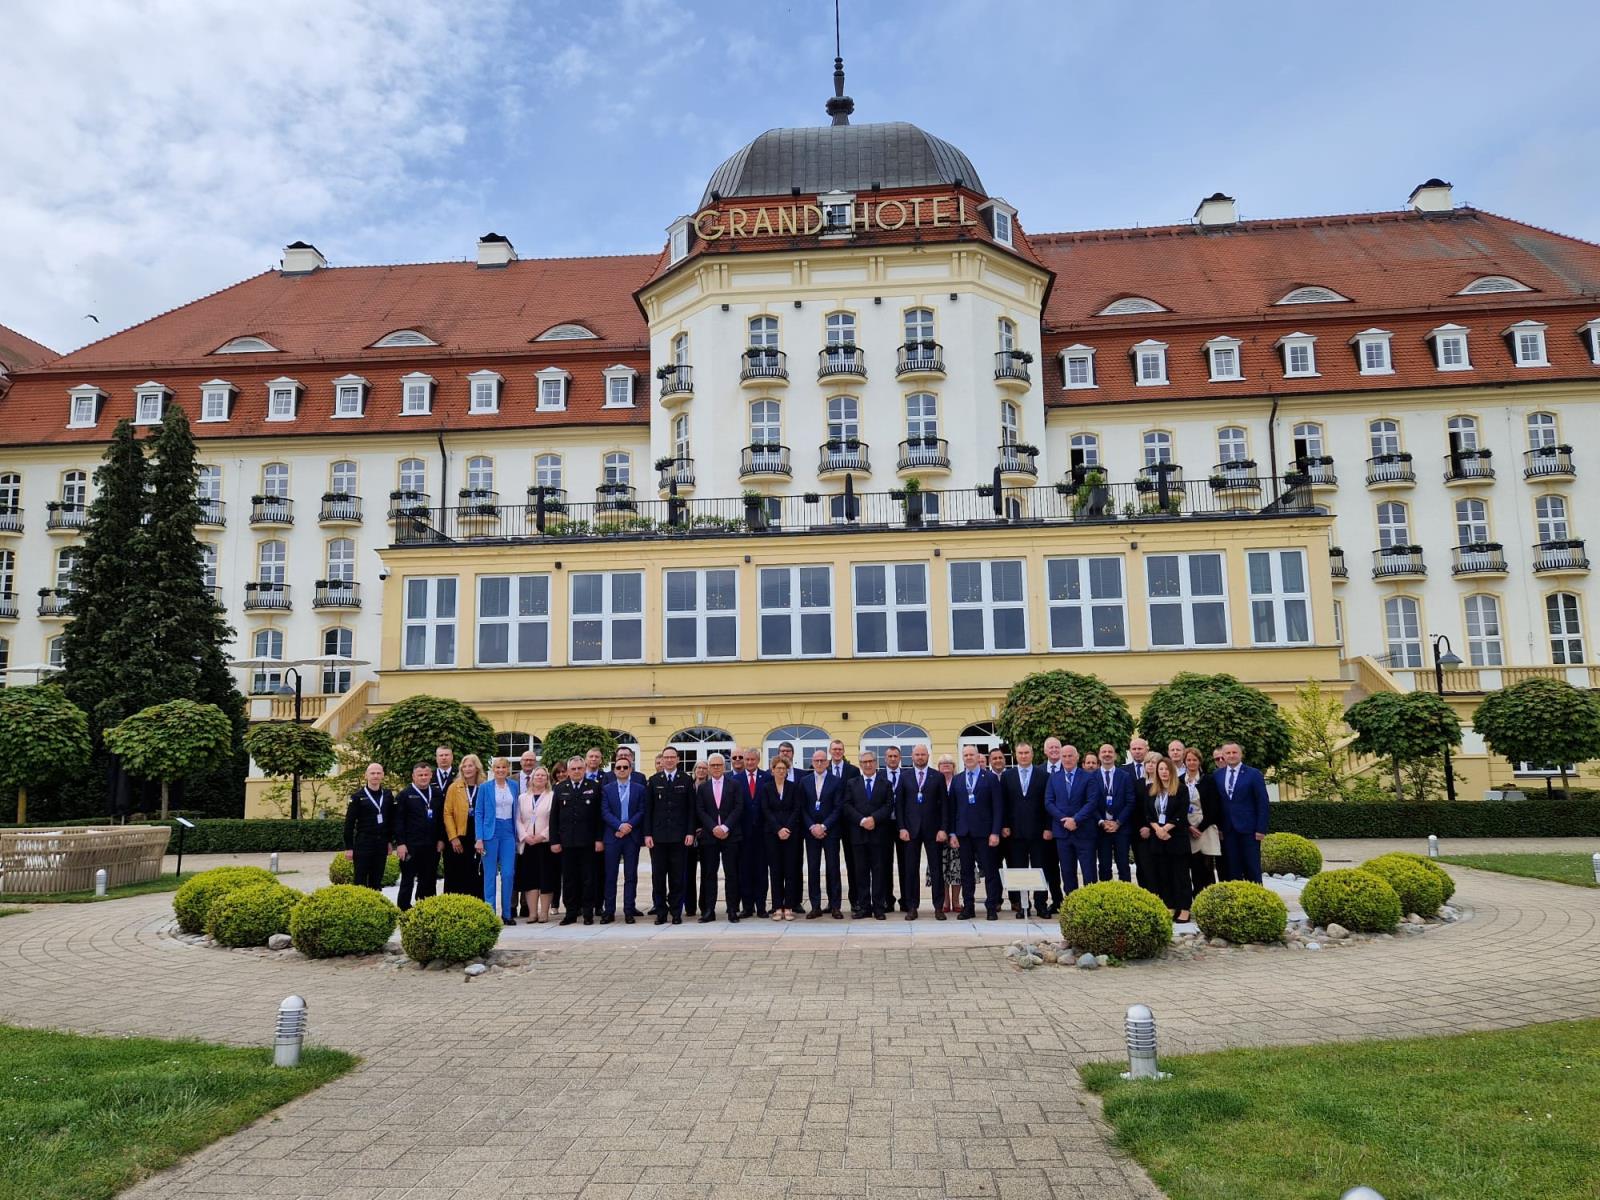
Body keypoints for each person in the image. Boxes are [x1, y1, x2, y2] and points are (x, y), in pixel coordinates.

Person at [894, 743, 948, 920]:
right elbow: (899, 805)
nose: (920, 757)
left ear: (928, 756)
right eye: (917, 754)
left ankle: (938, 907)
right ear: (912, 757)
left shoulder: (938, 777)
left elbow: (944, 806)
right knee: (910, 869)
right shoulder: (905, 776)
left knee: (936, 869)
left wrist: (943, 829)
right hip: (910, 830)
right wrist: (901, 827)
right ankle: (912, 906)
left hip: (933, 831)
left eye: (923, 754)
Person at [949, 745, 1003, 920]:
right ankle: (969, 907)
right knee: (966, 872)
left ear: (978, 757)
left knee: (990, 870)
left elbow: (997, 808)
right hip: (963, 833)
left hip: (985, 833)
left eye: (971, 754)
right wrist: (952, 833)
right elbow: (952, 809)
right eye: (965, 755)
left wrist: (995, 832)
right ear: (962, 758)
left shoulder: (990, 778)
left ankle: (991, 907)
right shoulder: (957, 780)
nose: (969, 757)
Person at [644, 747, 696, 925]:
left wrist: (690, 832)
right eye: (666, 757)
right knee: (658, 877)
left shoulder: (686, 780)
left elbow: (691, 809)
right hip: (658, 838)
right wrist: (647, 834)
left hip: (680, 837)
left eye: (672, 757)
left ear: (678, 760)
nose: (669, 760)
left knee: (677, 877)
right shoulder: (653, 780)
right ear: (662, 760)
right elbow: (648, 810)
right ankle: (660, 912)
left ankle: (676, 912)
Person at [1000, 742, 1052, 917]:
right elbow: (1003, 804)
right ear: (1015, 755)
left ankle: (1041, 904)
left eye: (1026, 752)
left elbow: (1048, 804)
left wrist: (1048, 827)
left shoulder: (1043, 775)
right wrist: (1005, 825)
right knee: (1018, 869)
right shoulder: (1008, 776)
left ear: (1032, 754)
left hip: (1038, 832)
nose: (1023, 756)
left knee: (1040, 869)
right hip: (1015, 833)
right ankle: (1023, 905)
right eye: (1020, 753)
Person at [552, 756, 604, 925]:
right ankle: (571, 913)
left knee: (588, 879)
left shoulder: (594, 787)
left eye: (579, 768)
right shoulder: (560, 788)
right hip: (567, 842)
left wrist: (599, 839)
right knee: (568, 879)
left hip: (588, 842)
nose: (576, 771)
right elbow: (554, 818)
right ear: (568, 771)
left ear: (584, 769)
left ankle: (588, 913)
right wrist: (555, 841)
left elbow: (599, 817)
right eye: (573, 769)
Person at [842, 751, 893, 919]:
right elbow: (847, 806)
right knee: (860, 872)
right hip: (858, 834)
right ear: (860, 764)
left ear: (876, 762)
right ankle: (864, 907)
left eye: (871, 761)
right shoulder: (851, 783)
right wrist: (862, 820)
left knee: (879, 872)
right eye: (864, 762)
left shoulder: (885, 783)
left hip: (879, 834)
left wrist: (874, 819)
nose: (868, 764)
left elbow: (888, 806)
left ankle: (879, 907)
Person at [1142, 755, 1193, 921]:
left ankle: (1184, 908)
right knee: (1163, 875)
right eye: (1161, 769)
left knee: (1180, 875)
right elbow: (1149, 814)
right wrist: (1157, 829)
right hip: (1158, 839)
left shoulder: (1181, 789)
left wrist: (1166, 828)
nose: (1164, 772)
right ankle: (1170, 905)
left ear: (1172, 771)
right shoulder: (1151, 790)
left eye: (1166, 769)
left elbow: (1181, 814)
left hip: (1176, 837)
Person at [1045, 744, 1097, 896]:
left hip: (1084, 832)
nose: (1067, 759)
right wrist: (1063, 819)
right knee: (1067, 872)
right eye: (1064, 756)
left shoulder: (1088, 777)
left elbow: (1092, 802)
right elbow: (1048, 802)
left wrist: (1076, 820)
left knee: (1089, 872)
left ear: (1077, 757)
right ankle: (1072, 904)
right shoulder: (1054, 778)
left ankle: (1090, 905)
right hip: (1062, 833)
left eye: (1070, 756)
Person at [695, 753, 742, 922]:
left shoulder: (734, 785)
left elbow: (738, 807)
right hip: (710, 837)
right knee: (709, 874)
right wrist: (714, 827)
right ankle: (709, 911)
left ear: (724, 767)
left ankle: (732, 910)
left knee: (731, 874)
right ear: (708, 768)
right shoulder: (703, 788)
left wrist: (725, 826)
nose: (716, 768)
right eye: (713, 765)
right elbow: (700, 810)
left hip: (730, 835)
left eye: (718, 765)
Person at [601, 754, 648, 923]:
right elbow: (605, 811)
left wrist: (628, 826)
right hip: (613, 836)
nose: (622, 770)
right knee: (610, 875)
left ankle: (629, 910)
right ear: (614, 770)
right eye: (619, 767)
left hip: (631, 837)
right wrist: (619, 826)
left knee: (630, 875)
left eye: (625, 767)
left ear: (630, 770)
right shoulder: (607, 789)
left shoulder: (639, 788)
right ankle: (610, 911)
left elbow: (642, 811)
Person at [473, 756, 521, 924]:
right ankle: (490, 912)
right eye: (497, 767)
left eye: (503, 767)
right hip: (489, 834)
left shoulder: (514, 786)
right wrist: (479, 838)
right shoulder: (485, 788)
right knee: (490, 874)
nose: (500, 770)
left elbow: (518, 810)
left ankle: (507, 914)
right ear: (493, 769)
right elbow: (478, 813)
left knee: (508, 873)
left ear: (508, 769)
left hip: (508, 832)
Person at [1218, 742, 1270, 884]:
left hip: (1250, 830)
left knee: (1252, 868)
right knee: (1232, 869)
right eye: (1228, 753)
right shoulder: (1217, 776)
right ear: (1223, 756)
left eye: (1234, 752)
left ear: (1241, 754)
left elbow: (1262, 803)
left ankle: (1256, 899)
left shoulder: (1254, 774)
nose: (1231, 755)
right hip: (1227, 831)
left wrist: (1261, 829)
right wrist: (1219, 828)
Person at [393, 761, 442, 911]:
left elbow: (441, 819)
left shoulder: (437, 794)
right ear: (413, 776)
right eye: (420, 775)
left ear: (431, 775)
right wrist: (400, 843)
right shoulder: (404, 795)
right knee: (408, 879)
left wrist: (441, 839)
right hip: (410, 845)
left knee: (428, 878)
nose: (423, 777)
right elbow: (398, 821)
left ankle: (426, 906)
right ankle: (404, 908)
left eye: (426, 774)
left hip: (432, 845)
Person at [802, 748, 844, 918]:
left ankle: (835, 906)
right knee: (813, 868)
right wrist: (812, 827)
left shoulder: (836, 781)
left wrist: (824, 826)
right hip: (811, 832)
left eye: (822, 760)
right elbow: (802, 808)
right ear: (812, 762)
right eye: (816, 760)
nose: (819, 763)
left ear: (827, 762)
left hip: (830, 832)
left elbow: (838, 807)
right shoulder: (804, 781)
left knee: (833, 868)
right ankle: (815, 906)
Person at [732, 747, 771, 918]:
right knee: (745, 871)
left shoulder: (768, 777)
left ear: (758, 760)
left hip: (763, 833)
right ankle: (747, 907)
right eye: (746, 760)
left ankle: (761, 906)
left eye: (752, 760)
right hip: (743, 833)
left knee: (762, 871)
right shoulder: (735, 780)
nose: (748, 762)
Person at [515, 765, 557, 923]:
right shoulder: (522, 798)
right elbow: (517, 819)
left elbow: (554, 820)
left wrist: (542, 836)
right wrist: (525, 836)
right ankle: (533, 913)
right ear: (531, 779)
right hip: (527, 844)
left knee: (546, 878)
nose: (539, 778)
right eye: (536, 775)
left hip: (545, 843)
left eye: (543, 776)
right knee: (530, 878)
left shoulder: (552, 796)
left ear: (547, 779)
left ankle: (544, 912)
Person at [764, 755, 803, 920]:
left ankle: (789, 906)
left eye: (783, 768)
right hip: (772, 835)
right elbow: (765, 810)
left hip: (791, 834)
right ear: (772, 770)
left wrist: (787, 828)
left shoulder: (794, 787)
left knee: (790, 871)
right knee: (775, 871)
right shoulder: (766, 788)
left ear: (787, 771)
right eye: (777, 768)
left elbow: (797, 809)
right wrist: (778, 829)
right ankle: (777, 906)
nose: (780, 771)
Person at [344, 762, 394, 890]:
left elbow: (390, 821)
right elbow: (349, 824)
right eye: (372, 773)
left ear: (383, 775)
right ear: (366, 775)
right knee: (360, 880)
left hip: (381, 844)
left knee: (377, 880)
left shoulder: (388, 795)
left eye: (378, 773)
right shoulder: (357, 797)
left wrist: (389, 841)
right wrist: (349, 847)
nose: (375, 776)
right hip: (364, 843)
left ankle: (376, 906)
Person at [1091, 743, 1137, 883]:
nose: (1107, 754)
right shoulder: (1091, 777)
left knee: (1123, 865)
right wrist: (1101, 821)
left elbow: (1130, 801)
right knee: (1104, 866)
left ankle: (1125, 897)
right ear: (1099, 755)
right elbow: (1090, 803)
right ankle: (1106, 897)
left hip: (1121, 828)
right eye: (1103, 751)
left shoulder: (1125, 776)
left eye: (1110, 752)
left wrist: (1118, 822)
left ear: (1115, 755)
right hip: (1101, 828)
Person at [1181, 747, 1223, 893]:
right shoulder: (1180, 781)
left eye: (1194, 760)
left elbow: (1213, 807)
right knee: (1194, 866)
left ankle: (1209, 899)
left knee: (1208, 867)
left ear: (1199, 762)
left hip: (1205, 827)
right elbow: (1176, 807)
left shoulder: (1208, 780)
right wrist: (1188, 826)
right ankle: (1197, 898)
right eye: (1188, 760)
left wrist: (1200, 828)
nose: (1191, 763)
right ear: (1184, 762)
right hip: (1187, 828)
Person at [826, 740, 861, 912]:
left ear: (844, 751)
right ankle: (832, 901)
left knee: (852, 862)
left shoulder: (853, 770)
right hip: (830, 824)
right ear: (830, 751)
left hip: (849, 824)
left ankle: (855, 900)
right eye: (834, 749)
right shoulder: (824, 768)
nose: (837, 752)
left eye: (840, 749)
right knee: (831, 864)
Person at [441, 755, 483, 895]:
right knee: (456, 873)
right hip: (459, 834)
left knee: (476, 872)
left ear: (477, 768)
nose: (467, 769)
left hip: (478, 835)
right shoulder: (454, 787)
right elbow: (447, 813)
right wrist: (453, 838)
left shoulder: (484, 786)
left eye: (470, 766)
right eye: (464, 766)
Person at [1122, 737, 1156, 894]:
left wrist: (1148, 826)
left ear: (1147, 749)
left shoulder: (1158, 771)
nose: (1137, 751)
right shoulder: (1123, 770)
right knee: (1140, 865)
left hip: (1151, 827)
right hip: (1129, 824)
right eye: (1134, 749)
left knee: (1151, 865)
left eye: (1140, 748)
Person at [937, 754, 961, 911]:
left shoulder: (959, 782)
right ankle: (945, 901)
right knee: (941, 868)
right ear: (938, 767)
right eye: (942, 764)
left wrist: (954, 832)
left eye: (949, 763)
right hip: (938, 832)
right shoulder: (934, 782)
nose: (946, 766)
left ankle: (956, 901)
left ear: (954, 766)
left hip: (958, 832)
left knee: (957, 868)